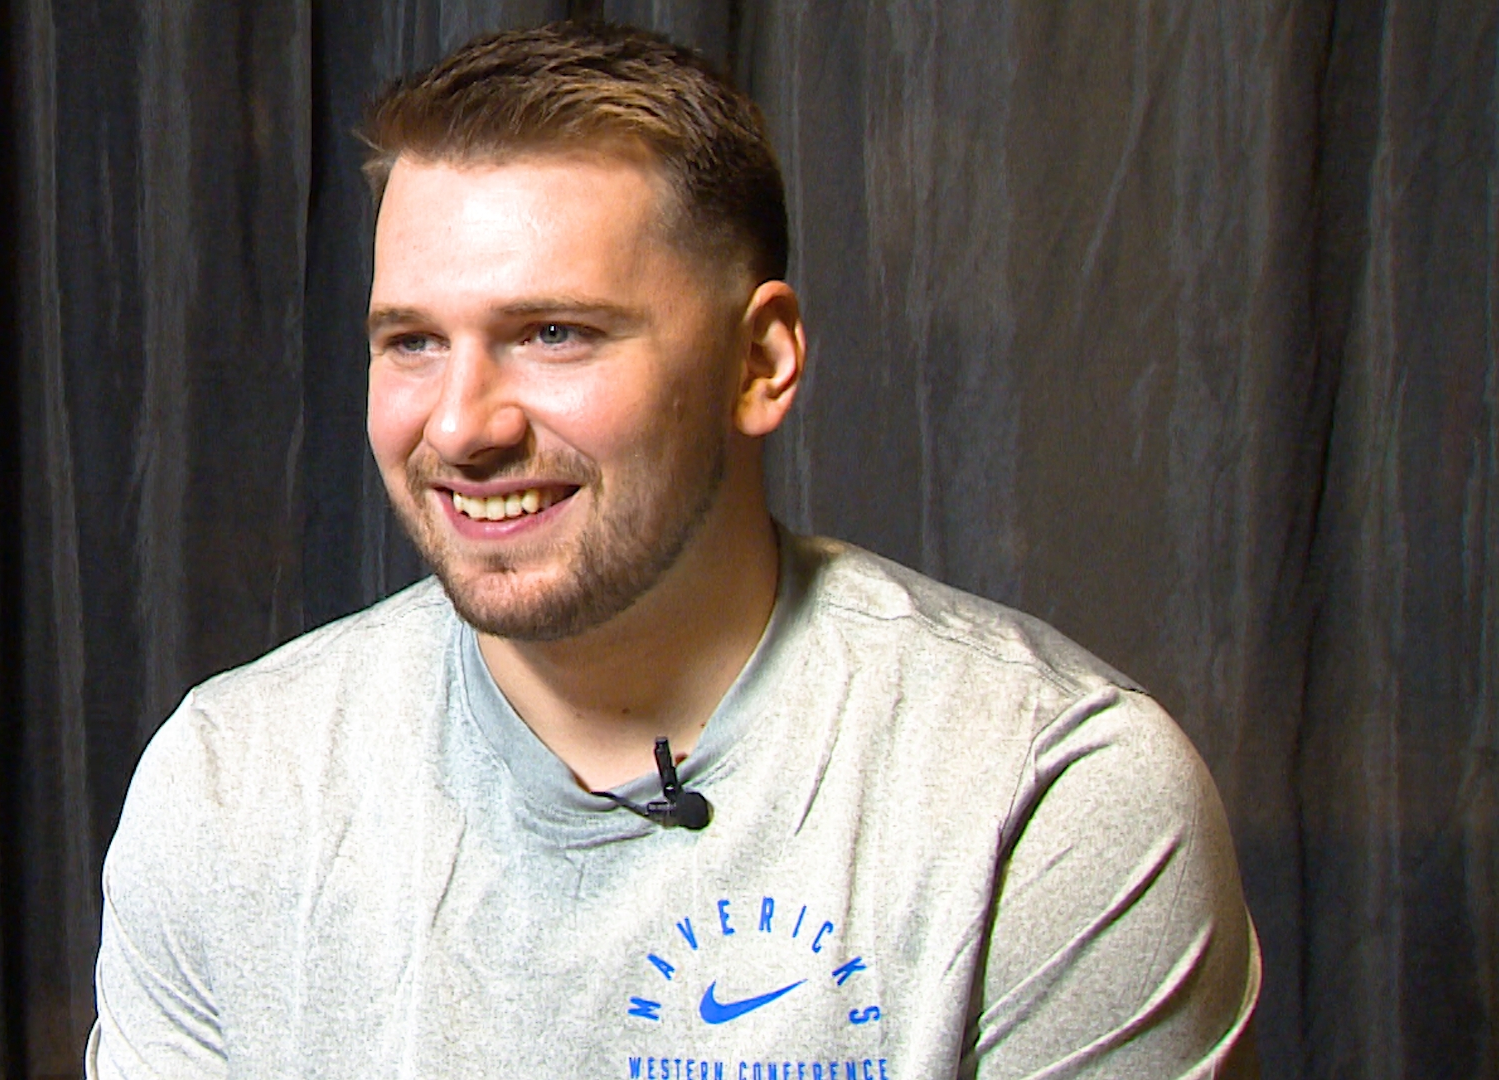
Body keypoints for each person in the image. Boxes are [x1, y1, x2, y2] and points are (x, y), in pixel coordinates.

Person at [87, 21, 1260, 1079]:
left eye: (555, 333)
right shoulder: (229, 788)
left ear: (762, 362)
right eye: (412, 342)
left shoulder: (1049, 799)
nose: (460, 425)